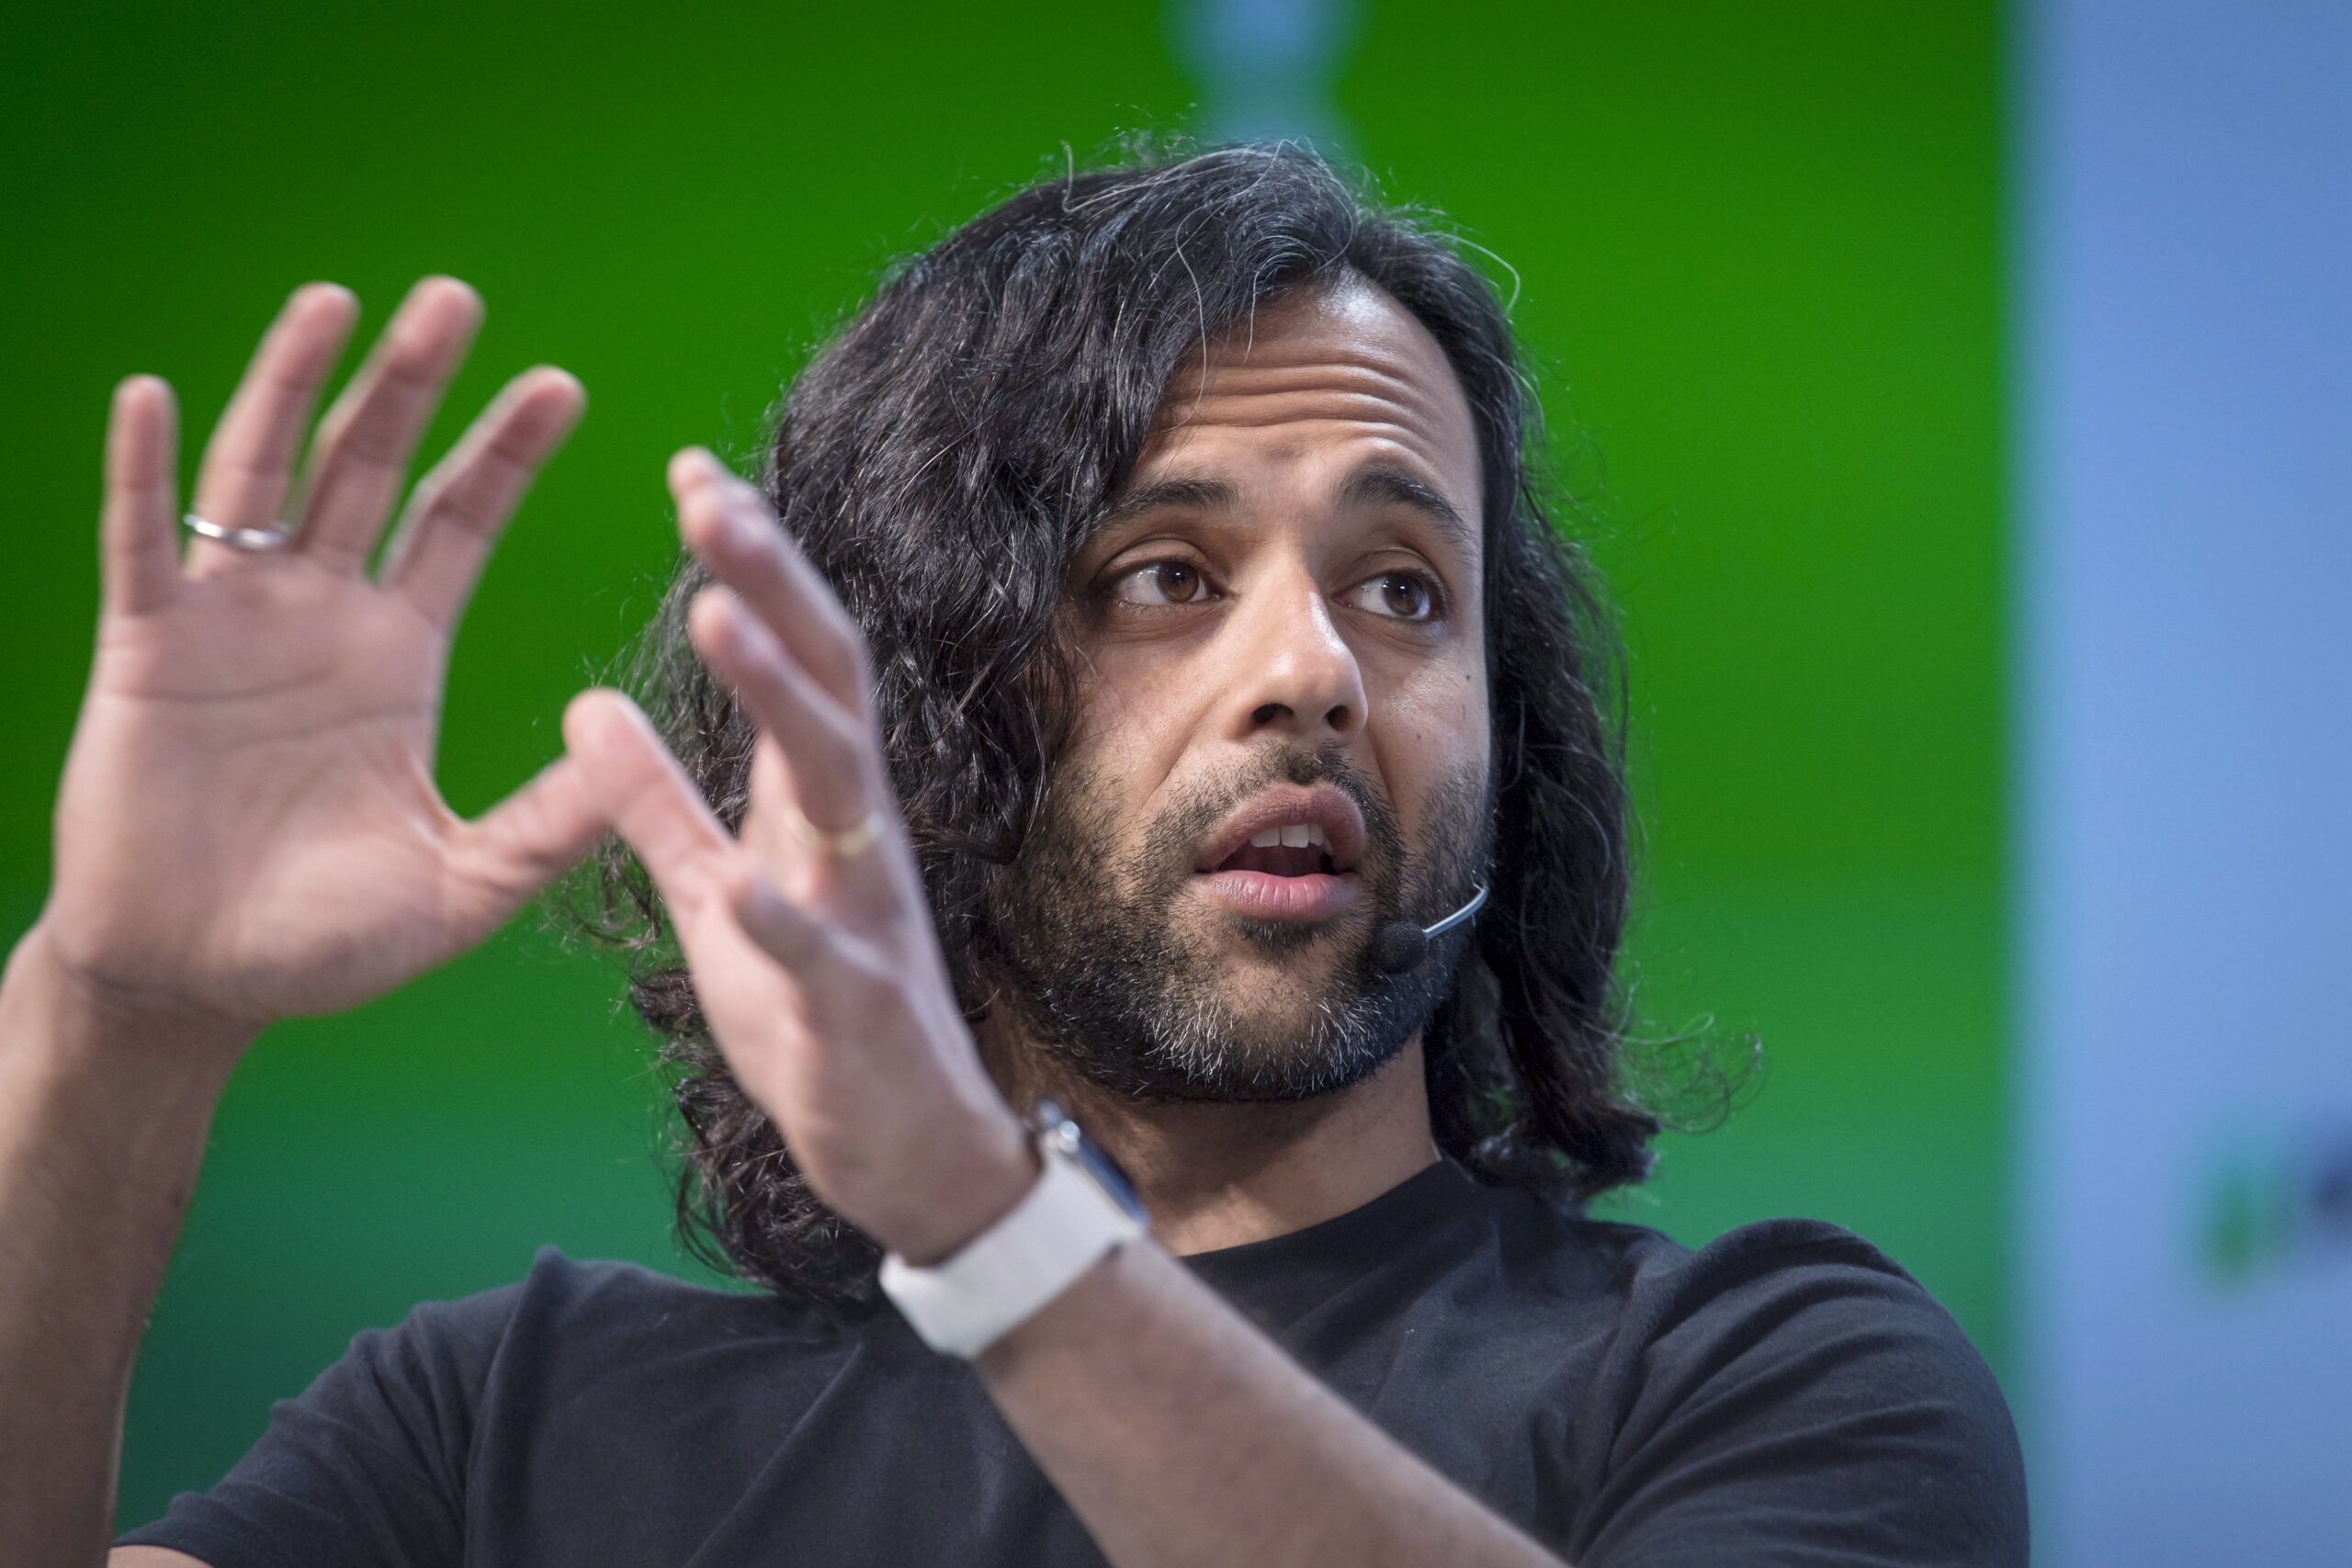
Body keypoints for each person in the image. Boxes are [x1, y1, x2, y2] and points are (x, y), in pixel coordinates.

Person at [0, 146, 2026, 1567]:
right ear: (920, 708)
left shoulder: (1764, 1375)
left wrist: (994, 1222)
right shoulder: (506, 1425)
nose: (1310, 668)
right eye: (1162, 573)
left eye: (1407, 591)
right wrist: (117, 1018)